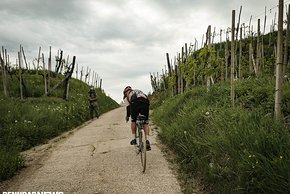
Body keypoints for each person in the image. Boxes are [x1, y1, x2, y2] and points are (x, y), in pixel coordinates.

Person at [123, 86, 151, 151]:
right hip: (145, 100)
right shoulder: (138, 91)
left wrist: (127, 117)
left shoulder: (126, 97)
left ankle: (134, 139)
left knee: (133, 121)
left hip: (134, 101)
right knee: (145, 122)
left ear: (125, 93)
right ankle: (147, 140)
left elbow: (128, 108)